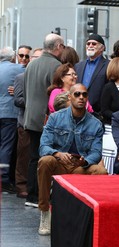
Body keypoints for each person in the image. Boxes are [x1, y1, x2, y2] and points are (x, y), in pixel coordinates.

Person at [37, 83, 107, 235]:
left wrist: (86, 161)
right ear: (70, 97)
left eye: (84, 94)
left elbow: (96, 152)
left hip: (80, 165)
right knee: (45, 161)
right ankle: (45, 212)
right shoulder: (55, 118)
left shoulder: (95, 124)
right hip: (59, 162)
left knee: (101, 171)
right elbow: (43, 146)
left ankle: (92, 215)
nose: (81, 97)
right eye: (77, 94)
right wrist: (57, 154)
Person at [24, 33, 65, 207]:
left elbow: (26, 91)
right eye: (62, 46)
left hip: (30, 118)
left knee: (34, 157)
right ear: (57, 47)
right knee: (46, 159)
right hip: (46, 120)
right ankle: (40, 196)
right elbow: (56, 97)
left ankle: (31, 195)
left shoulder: (31, 64)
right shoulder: (57, 66)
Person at [13, 48, 43, 198]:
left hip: (41, 122)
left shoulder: (44, 77)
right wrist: (33, 102)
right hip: (25, 121)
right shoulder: (21, 77)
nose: (37, 60)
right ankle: (21, 186)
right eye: (35, 57)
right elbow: (17, 100)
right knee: (24, 155)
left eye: (40, 58)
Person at [0, 47, 25, 193]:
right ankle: (3, 179)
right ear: (13, 57)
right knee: (6, 146)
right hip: (9, 112)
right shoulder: (19, 69)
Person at [75, 33, 109, 113]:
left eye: (94, 44)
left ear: (102, 48)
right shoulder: (78, 66)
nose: (90, 46)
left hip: (98, 112)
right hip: (79, 109)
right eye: (88, 44)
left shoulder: (108, 65)